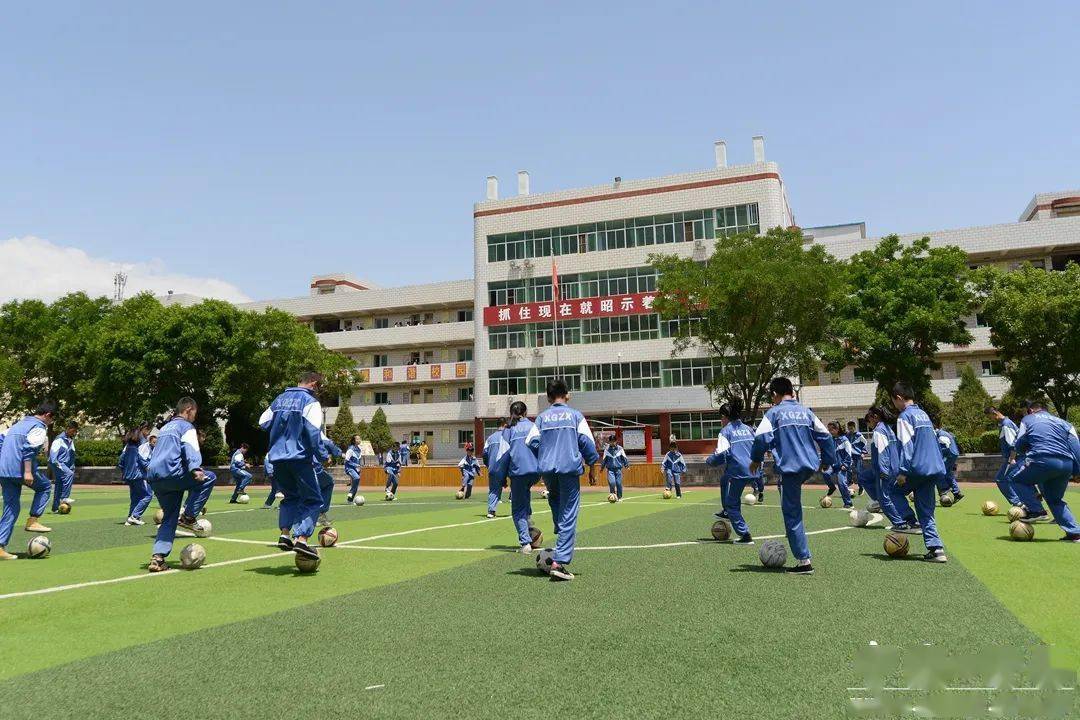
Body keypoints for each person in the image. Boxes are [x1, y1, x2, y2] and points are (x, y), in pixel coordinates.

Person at [750, 377, 836, 575]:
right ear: (792, 391)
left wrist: (756, 459)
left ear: (774, 394)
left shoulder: (773, 413)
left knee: (792, 512)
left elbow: (761, 437)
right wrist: (827, 460)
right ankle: (801, 553)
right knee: (791, 503)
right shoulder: (807, 413)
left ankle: (804, 561)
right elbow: (825, 436)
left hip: (790, 467)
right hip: (808, 466)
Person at [526, 380, 599, 581]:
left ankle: (561, 530)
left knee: (557, 504)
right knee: (569, 514)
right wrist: (592, 467)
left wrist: (544, 455)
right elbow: (587, 443)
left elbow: (531, 442)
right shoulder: (575, 416)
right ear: (567, 395)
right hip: (568, 469)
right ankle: (559, 563)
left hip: (548, 470)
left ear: (549, 398)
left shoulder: (541, 418)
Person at [145, 398, 218, 572]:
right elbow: (190, 448)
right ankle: (189, 516)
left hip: (155, 478)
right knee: (210, 477)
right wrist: (195, 468)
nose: (195, 416)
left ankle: (158, 558)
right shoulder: (186, 427)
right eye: (195, 412)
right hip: (172, 474)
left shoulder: (164, 429)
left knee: (169, 518)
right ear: (188, 409)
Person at [259, 372, 326, 560]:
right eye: (320, 388)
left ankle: (285, 535)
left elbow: (263, 422)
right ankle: (302, 539)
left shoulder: (279, 399)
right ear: (313, 384)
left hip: (278, 458)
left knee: (290, 497)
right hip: (299, 457)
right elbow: (313, 432)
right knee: (313, 500)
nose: (319, 392)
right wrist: (322, 454)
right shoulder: (310, 401)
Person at [892, 382, 948, 563]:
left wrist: (902, 471)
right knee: (926, 511)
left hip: (916, 468)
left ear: (899, 398)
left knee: (893, 491)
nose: (894, 405)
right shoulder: (923, 415)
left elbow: (907, 446)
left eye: (893, 401)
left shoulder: (904, 417)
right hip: (933, 468)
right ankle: (936, 550)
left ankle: (911, 522)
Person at [1010, 400, 1080, 541]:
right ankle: (1075, 533)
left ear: (1031, 410)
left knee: (1016, 480)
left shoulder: (1027, 419)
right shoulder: (1064, 423)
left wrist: (1024, 450)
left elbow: (1019, 443)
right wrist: (1078, 471)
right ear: (1047, 410)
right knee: (1055, 499)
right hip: (1065, 465)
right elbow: (1076, 447)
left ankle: (1036, 510)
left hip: (1041, 460)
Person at [0, 400, 56, 560]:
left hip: (4, 470)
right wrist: (27, 472)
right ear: (47, 415)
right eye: (52, 419)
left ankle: (0, 546)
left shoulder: (18, 424)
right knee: (45, 486)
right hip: (19, 470)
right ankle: (33, 520)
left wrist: (3, 461)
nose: (50, 422)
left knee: (11, 507)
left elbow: (0, 440)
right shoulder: (39, 427)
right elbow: (29, 450)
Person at [706, 398, 756, 544]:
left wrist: (709, 460)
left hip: (739, 471)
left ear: (725, 417)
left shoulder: (725, 431)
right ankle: (727, 510)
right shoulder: (748, 428)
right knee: (724, 480)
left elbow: (721, 454)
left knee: (731, 503)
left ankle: (745, 535)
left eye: (721, 417)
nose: (721, 420)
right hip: (754, 469)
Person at [499, 404, 541, 553]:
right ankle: (528, 519)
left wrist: (502, 476)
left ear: (511, 413)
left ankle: (525, 543)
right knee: (526, 492)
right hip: (535, 471)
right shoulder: (534, 426)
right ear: (526, 412)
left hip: (518, 472)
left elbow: (503, 455)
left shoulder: (509, 430)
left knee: (517, 510)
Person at [866, 406, 905, 527]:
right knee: (893, 495)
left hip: (885, 470)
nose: (869, 420)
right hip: (894, 467)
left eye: (870, 417)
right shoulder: (888, 429)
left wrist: (883, 471)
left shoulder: (879, 430)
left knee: (884, 499)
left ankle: (900, 523)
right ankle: (909, 520)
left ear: (875, 417)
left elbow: (882, 451)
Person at [985, 406, 1023, 508]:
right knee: (1014, 480)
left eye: (990, 417)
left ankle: (1018, 503)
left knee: (1000, 479)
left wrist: (1012, 459)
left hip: (1014, 457)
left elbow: (1013, 444)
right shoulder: (1006, 423)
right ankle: (1026, 502)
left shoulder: (1006, 425)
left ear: (994, 413)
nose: (990, 420)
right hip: (1017, 457)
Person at [119, 424, 153, 525]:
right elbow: (142, 460)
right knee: (148, 496)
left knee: (135, 497)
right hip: (138, 475)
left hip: (128, 476)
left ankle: (130, 517)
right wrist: (150, 467)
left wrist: (124, 471)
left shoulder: (128, 447)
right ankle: (135, 516)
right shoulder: (140, 446)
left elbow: (120, 462)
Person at [931, 416, 964, 503]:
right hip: (952, 455)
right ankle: (957, 493)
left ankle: (944, 491)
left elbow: (945, 446)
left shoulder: (940, 434)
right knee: (949, 474)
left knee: (938, 472)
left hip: (948, 456)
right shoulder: (945, 433)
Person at [49, 420, 79, 512]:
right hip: (57, 463)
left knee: (59, 484)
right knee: (69, 474)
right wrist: (57, 464)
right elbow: (53, 454)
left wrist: (72, 466)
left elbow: (72, 455)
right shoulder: (59, 439)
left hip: (64, 465)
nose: (74, 433)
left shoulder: (70, 440)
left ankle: (55, 508)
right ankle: (65, 497)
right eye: (73, 431)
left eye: (75, 431)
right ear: (68, 429)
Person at [823, 422, 855, 509]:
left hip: (842, 466)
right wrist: (825, 463)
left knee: (841, 483)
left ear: (837, 429)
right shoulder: (830, 440)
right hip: (833, 465)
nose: (829, 431)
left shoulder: (844, 440)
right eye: (828, 430)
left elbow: (849, 453)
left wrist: (845, 464)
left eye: (831, 430)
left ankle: (848, 503)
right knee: (825, 474)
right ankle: (832, 488)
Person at [314, 433, 341, 526]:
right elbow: (328, 444)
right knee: (327, 484)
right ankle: (319, 515)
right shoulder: (314, 426)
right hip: (311, 467)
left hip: (288, 464)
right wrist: (339, 453)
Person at [602, 436, 629, 501]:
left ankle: (619, 497)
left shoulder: (620, 449)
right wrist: (602, 468)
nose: (612, 443)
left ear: (616, 441)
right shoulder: (607, 450)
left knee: (618, 483)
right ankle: (613, 495)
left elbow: (624, 458)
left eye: (613, 441)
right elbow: (604, 459)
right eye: (611, 441)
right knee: (612, 482)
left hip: (618, 469)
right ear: (609, 442)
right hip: (610, 469)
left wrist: (626, 465)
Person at [846, 422, 868, 496]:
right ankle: (849, 482)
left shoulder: (859, 435)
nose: (850, 430)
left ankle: (861, 487)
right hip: (850, 456)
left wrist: (863, 452)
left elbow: (865, 442)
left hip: (858, 456)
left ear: (854, 427)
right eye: (849, 428)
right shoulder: (847, 435)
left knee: (859, 472)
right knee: (848, 469)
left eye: (851, 428)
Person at [344, 435, 363, 503]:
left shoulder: (359, 449)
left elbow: (359, 460)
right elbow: (346, 460)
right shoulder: (350, 449)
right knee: (357, 478)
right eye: (357, 439)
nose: (359, 440)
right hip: (349, 468)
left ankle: (350, 500)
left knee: (356, 484)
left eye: (359, 438)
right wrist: (356, 465)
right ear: (354, 441)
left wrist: (360, 466)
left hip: (356, 469)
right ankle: (351, 492)